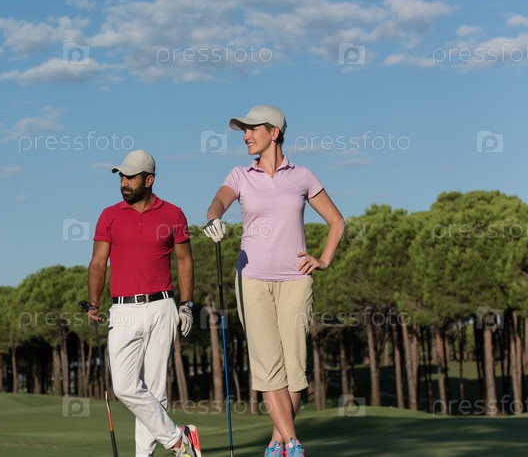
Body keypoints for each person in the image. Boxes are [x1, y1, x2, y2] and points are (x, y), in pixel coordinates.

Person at [203, 105, 344, 457]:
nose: (246, 136)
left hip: (296, 281)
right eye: (244, 130)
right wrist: (213, 218)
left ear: (274, 132)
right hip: (251, 280)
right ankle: (293, 444)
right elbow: (218, 202)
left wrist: (323, 260)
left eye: (252, 129)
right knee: (268, 366)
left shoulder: (303, 176)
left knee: (294, 369)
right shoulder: (240, 175)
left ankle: (275, 443)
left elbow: (337, 221)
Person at [87, 149, 202, 457]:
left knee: (155, 390)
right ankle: (178, 440)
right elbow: (98, 263)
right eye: (121, 177)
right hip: (123, 309)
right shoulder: (109, 215)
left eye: (130, 177)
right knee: (125, 388)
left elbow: (185, 261)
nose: (124, 183)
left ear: (149, 180)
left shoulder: (173, 214)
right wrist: (94, 302)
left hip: (162, 306)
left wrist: (187, 305)